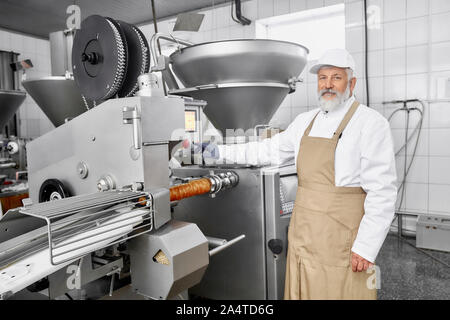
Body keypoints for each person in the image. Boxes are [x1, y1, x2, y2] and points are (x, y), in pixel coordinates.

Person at [204, 48, 397, 300]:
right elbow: (265, 151)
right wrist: (217, 151)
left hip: (341, 237)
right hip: (304, 231)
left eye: (336, 78)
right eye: (322, 78)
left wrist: (366, 247)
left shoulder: (371, 123)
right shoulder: (305, 121)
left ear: (352, 82)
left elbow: (382, 192)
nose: (328, 85)